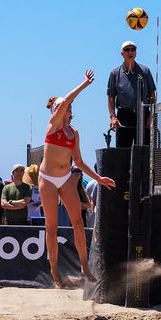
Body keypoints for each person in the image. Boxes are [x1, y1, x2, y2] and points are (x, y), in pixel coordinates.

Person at [40, 70, 116, 287]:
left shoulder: (74, 133)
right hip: (47, 179)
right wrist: (84, 84)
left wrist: (99, 178)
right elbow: (67, 100)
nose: (70, 107)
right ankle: (54, 270)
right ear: (58, 110)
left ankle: (84, 266)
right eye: (65, 106)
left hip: (65, 178)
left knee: (78, 224)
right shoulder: (52, 125)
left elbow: (80, 163)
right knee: (51, 228)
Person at [107, 40, 157, 147]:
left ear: (136, 52)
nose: (130, 52)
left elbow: (152, 95)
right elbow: (111, 97)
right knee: (123, 152)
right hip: (124, 116)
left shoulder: (145, 71)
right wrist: (113, 117)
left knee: (144, 152)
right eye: (127, 49)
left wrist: (151, 116)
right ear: (122, 53)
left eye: (133, 49)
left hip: (143, 114)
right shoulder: (115, 73)